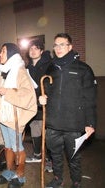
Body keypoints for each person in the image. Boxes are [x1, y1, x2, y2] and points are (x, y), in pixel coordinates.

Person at [39, 33, 96, 188]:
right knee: (55, 155)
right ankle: (58, 179)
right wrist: (42, 99)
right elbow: (47, 91)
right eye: (56, 45)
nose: (58, 48)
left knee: (74, 157)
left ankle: (76, 182)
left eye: (62, 44)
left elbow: (90, 98)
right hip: (53, 123)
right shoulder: (50, 68)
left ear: (70, 46)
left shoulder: (83, 69)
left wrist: (90, 123)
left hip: (74, 123)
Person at [0, 43, 37, 188]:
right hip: (4, 115)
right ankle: (9, 171)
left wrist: (7, 92)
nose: (0, 54)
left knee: (17, 146)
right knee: (8, 146)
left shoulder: (20, 70)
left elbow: (28, 94)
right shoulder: (3, 71)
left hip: (15, 116)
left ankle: (20, 175)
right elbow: (0, 90)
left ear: (12, 54)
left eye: (3, 51)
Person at [25, 40, 53, 172]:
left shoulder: (48, 65)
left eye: (36, 48)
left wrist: (44, 93)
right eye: (31, 48)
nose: (33, 51)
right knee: (34, 128)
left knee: (47, 133)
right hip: (33, 104)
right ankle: (37, 155)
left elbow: (51, 83)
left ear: (41, 51)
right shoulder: (28, 67)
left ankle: (50, 160)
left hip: (45, 103)